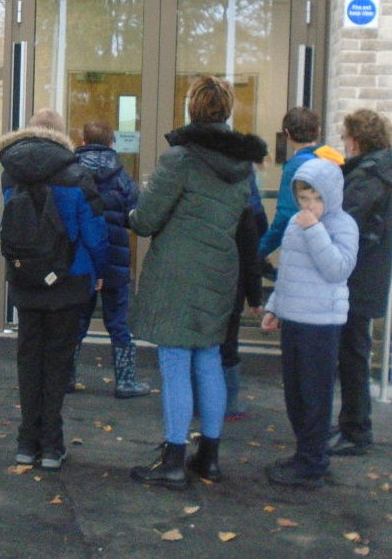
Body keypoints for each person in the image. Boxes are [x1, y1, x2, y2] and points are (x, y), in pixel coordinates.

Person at [128, 76, 267, 489]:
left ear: (192, 109)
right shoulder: (243, 167)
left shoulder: (180, 159)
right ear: (227, 110)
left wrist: (132, 213)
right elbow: (245, 221)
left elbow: (146, 219)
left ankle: (173, 460)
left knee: (174, 360)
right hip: (220, 269)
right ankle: (209, 457)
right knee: (208, 357)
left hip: (179, 271)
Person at [0, 108, 108, 471]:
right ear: (62, 135)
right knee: (57, 361)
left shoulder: (10, 173)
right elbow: (94, 232)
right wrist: (100, 270)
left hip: (26, 276)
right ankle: (52, 446)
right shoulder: (77, 174)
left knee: (29, 359)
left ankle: (26, 442)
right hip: (69, 279)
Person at [261, 158, 358, 489]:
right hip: (294, 317)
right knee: (296, 395)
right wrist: (275, 306)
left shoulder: (342, 225)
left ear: (331, 195)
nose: (310, 205)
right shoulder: (295, 222)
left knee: (315, 396)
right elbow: (288, 270)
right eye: (304, 198)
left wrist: (315, 229)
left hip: (321, 322)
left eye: (317, 198)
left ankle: (312, 463)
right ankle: (304, 453)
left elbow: (338, 269)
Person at [331, 109, 392, 457]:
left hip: (356, 278)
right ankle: (353, 423)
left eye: (346, 138)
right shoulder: (384, 172)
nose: (344, 144)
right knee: (354, 354)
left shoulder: (367, 177)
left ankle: (356, 431)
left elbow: (346, 225)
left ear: (356, 141)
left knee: (352, 356)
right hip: (369, 276)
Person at [72, 120, 149, 398]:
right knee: (118, 323)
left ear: (83, 141)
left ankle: (67, 376)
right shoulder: (121, 176)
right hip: (115, 259)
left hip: (83, 260)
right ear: (111, 143)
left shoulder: (72, 173)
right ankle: (125, 381)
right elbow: (134, 217)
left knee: (77, 322)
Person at [258, 107, 343, 262]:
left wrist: (259, 251)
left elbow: (285, 216)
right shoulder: (335, 160)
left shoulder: (296, 167)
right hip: (333, 245)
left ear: (287, 134)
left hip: (306, 246)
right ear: (318, 130)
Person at [220, 172, 267, 420]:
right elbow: (251, 257)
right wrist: (255, 297)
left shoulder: (199, 203)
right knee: (228, 343)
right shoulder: (243, 209)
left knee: (201, 346)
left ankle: (200, 399)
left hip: (202, 284)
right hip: (232, 286)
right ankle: (229, 402)